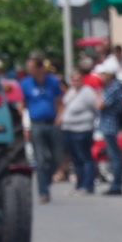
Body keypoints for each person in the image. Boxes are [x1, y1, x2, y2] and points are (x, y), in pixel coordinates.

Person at [19, 56, 64, 203]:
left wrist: (59, 117)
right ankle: (43, 192)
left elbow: (59, 101)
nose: (28, 70)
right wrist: (24, 124)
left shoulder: (52, 81)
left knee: (57, 157)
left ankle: (47, 179)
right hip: (36, 124)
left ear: (39, 68)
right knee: (40, 159)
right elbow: (21, 104)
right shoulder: (25, 84)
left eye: (31, 67)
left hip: (52, 123)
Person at [59, 67, 101, 195]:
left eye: (77, 79)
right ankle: (79, 184)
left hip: (82, 130)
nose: (75, 81)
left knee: (85, 157)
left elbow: (97, 106)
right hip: (69, 129)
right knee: (75, 159)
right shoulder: (70, 92)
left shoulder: (88, 92)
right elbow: (64, 107)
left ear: (82, 79)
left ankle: (88, 185)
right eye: (73, 79)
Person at [97, 66, 122, 196]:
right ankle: (116, 183)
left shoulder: (113, 87)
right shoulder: (112, 86)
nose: (102, 77)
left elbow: (101, 104)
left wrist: (98, 95)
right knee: (113, 155)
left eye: (104, 74)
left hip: (111, 125)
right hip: (109, 124)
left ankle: (117, 184)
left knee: (115, 156)